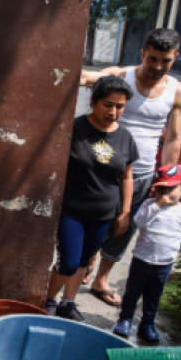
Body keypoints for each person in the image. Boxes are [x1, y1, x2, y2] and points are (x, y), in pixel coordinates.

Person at [79, 28, 181, 306]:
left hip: (144, 174)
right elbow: (87, 78)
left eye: (166, 60)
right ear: (143, 54)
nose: (158, 67)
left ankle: (101, 279)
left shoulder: (176, 91)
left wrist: (167, 180)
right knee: (94, 221)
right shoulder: (121, 76)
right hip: (105, 168)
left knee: (125, 228)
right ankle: (86, 262)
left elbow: (174, 137)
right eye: (153, 59)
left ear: (175, 57)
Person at [45, 76, 138, 320]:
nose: (114, 111)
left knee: (85, 260)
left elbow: (127, 177)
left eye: (120, 106)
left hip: (103, 213)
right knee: (69, 261)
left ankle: (68, 302)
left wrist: (125, 212)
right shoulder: (75, 128)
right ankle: (49, 298)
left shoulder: (125, 137)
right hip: (72, 210)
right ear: (94, 101)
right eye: (108, 104)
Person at [113, 164, 181, 343]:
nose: (164, 193)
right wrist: (157, 205)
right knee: (132, 293)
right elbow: (139, 221)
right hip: (142, 260)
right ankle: (125, 319)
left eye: (170, 188)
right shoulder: (149, 205)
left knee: (153, 296)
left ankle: (147, 324)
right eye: (161, 188)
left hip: (163, 264)